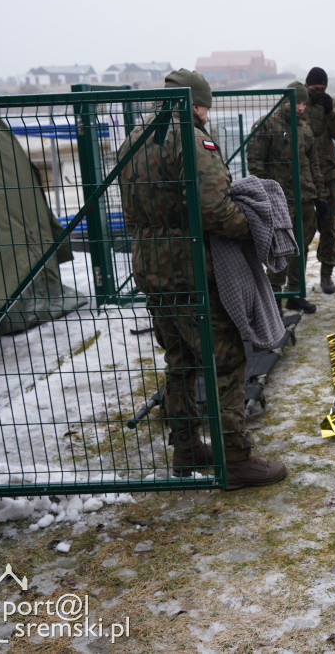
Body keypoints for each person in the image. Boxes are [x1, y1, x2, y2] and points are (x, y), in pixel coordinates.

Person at [118, 69, 286, 489]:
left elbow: (130, 211)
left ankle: (187, 447)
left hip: (152, 270)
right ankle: (235, 460)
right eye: (206, 106)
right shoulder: (191, 139)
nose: (207, 114)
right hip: (192, 270)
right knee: (226, 359)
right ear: (195, 103)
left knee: (181, 361)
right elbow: (215, 209)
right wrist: (255, 226)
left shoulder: (134, 138)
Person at [246, 80, 325, 314]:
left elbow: (313, 164)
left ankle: (296, 293)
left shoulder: (305, 129)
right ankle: (275, 297)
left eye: (303, 103)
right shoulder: (266, 125)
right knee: (280, 249)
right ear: (286, 100)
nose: (300, 108)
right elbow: (256, 164)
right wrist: (267, 194)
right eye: (296, 102)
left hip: (305, 198)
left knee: (302, 246)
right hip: (279, 200)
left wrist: (320, 195)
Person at [304, 67, 335, 295]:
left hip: (328, 175)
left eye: (323, 88)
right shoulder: (299, 103)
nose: (319, 92)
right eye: (315, 89)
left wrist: (330, 112)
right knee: (301, 229)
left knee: (329, 228)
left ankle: (326, 275)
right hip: (303, 177)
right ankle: (296, 278)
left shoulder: (331, 104)